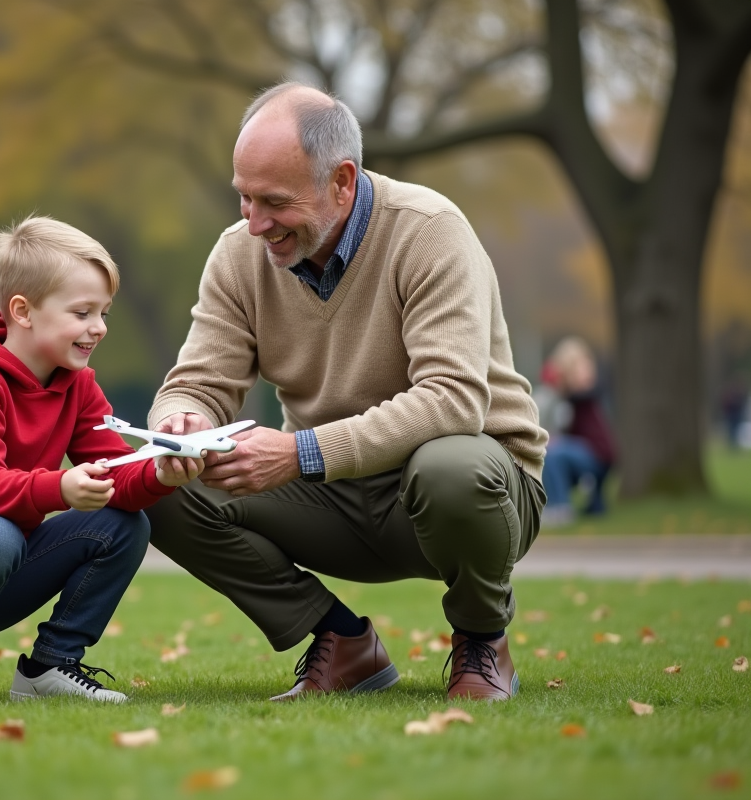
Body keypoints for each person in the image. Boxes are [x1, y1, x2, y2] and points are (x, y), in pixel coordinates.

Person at [146, 82, 548, 703]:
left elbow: (452, 400)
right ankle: (341, 641)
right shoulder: (238, 254)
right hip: (333, 495)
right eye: (244, 199)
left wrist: (299, 451)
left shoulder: (429, 231)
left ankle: (481, 640)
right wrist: (180, 422)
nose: (254, 223)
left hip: (471, 486)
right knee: (155, 483)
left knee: (450, 467)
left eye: (273, 202)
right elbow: (197, 381)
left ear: (342, 181)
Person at [0, 216, 203, 708]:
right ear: (23, 311)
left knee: (125, 526)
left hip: (0, 566)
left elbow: (115, 472)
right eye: (83, 312)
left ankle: (50, 665)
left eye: (104, 312)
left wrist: (158, 470)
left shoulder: (76, 384)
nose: (99, 328)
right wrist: (60, 487)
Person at [540, 337, 617, 527]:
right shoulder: (569, 398)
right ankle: (554, 505)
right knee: (549, 452)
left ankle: (561, 507)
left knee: (554, 452)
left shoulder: (586, 394)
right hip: (585, 454)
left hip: (598, 455)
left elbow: (580, 392)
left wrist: (559, 382)